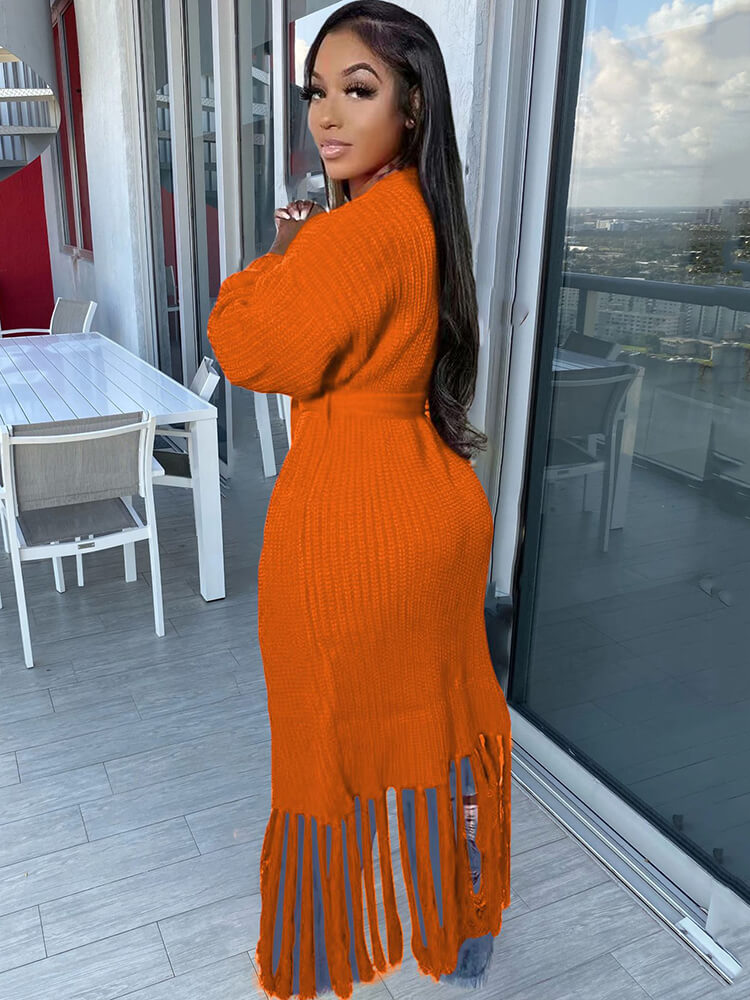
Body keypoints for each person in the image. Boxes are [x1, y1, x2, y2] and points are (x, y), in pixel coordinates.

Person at [206, 2, 512, 997]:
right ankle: (465, 928)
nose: (326, 116)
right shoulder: (419, 213)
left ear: (412, 106)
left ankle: (334, 942)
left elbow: (247, 344)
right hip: (428, 506)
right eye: (316, 92)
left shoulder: (362, 232)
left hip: (358, 525)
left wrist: (280, 254)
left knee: (327, 737)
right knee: (435, 723)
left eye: (358, 90)